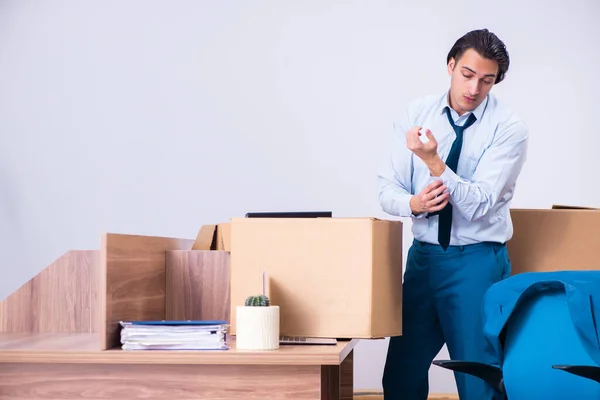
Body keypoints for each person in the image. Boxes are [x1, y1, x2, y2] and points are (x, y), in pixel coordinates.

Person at [377, 28, 528, 400]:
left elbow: (478, 204)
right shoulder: (417, 113)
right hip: (424, 260)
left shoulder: (509, 129)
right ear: (450, 66)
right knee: (400, 378)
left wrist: (433, 161)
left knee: (479, 381)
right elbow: (387, 189)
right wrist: (414, 204)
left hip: (476, 263)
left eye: (486, 80)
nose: (474, 88)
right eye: (467, 74)